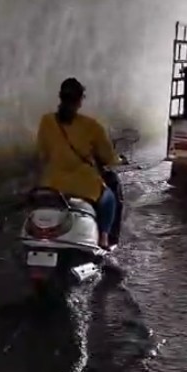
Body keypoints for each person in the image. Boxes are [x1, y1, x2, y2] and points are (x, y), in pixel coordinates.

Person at [36, 77, 121, 249]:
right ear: (80, 101)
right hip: (84, 186)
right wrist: (117, 160)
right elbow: (108, 157)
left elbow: (42, 153)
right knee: (110, 198)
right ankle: (104, 238)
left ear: (60, 97)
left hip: (52, 185)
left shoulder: (46, 121)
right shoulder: (92, 126)